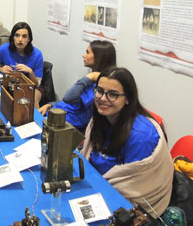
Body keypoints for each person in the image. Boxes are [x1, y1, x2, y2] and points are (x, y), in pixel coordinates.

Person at [80, 67, 173, 217]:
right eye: (100, 91)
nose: (103, 98)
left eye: (113, 94)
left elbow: (133, 187)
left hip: (125, 204)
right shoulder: (100, 119)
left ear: (128, 99)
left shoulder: (141, 136)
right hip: (95, 187)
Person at [39, 40, 116, 132]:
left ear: (98, 57)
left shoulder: (99, 89)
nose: (84, 55)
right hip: (54, 112)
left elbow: (69, 98)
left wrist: (89, 76)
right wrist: (49, 105)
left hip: (64, 124)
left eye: (87, 52)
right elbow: (70, 103)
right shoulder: (91, 81)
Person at [0, 22, 44, 105]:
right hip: (10, 82)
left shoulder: (37, 54)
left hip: (31, 86)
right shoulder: (4, 49)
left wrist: (30, 72)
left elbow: (36, 84)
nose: (20, 39)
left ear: (29, 39)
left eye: (24, 36)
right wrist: (2, 69)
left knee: (31, 102)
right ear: (13, 37)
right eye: (17, 35)